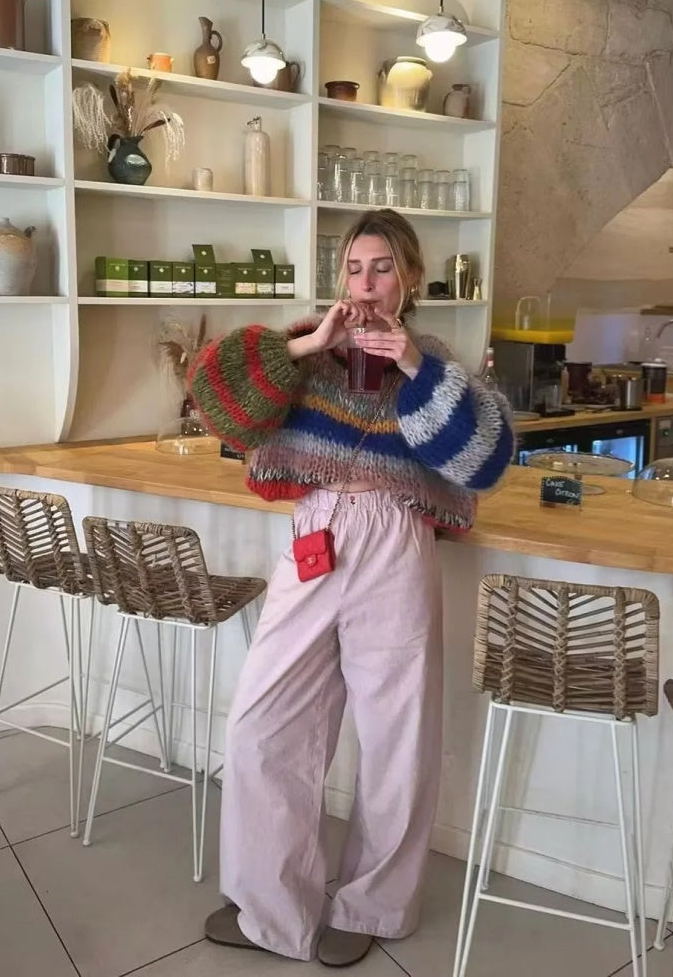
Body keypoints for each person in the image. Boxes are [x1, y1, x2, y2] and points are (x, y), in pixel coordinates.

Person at [188, 209, 514, 967]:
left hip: (395, 539)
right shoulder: (306, 353)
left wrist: (415, 368)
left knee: (398, 734)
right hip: (316, 531)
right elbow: (215, 401)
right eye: (355, 270)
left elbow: (487, 462)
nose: (366, 286)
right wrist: (307, 344)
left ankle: (372, 903)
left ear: (411, 280)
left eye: (382, 269)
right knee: (263, 724)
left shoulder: (436, 363)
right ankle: (270, 904)